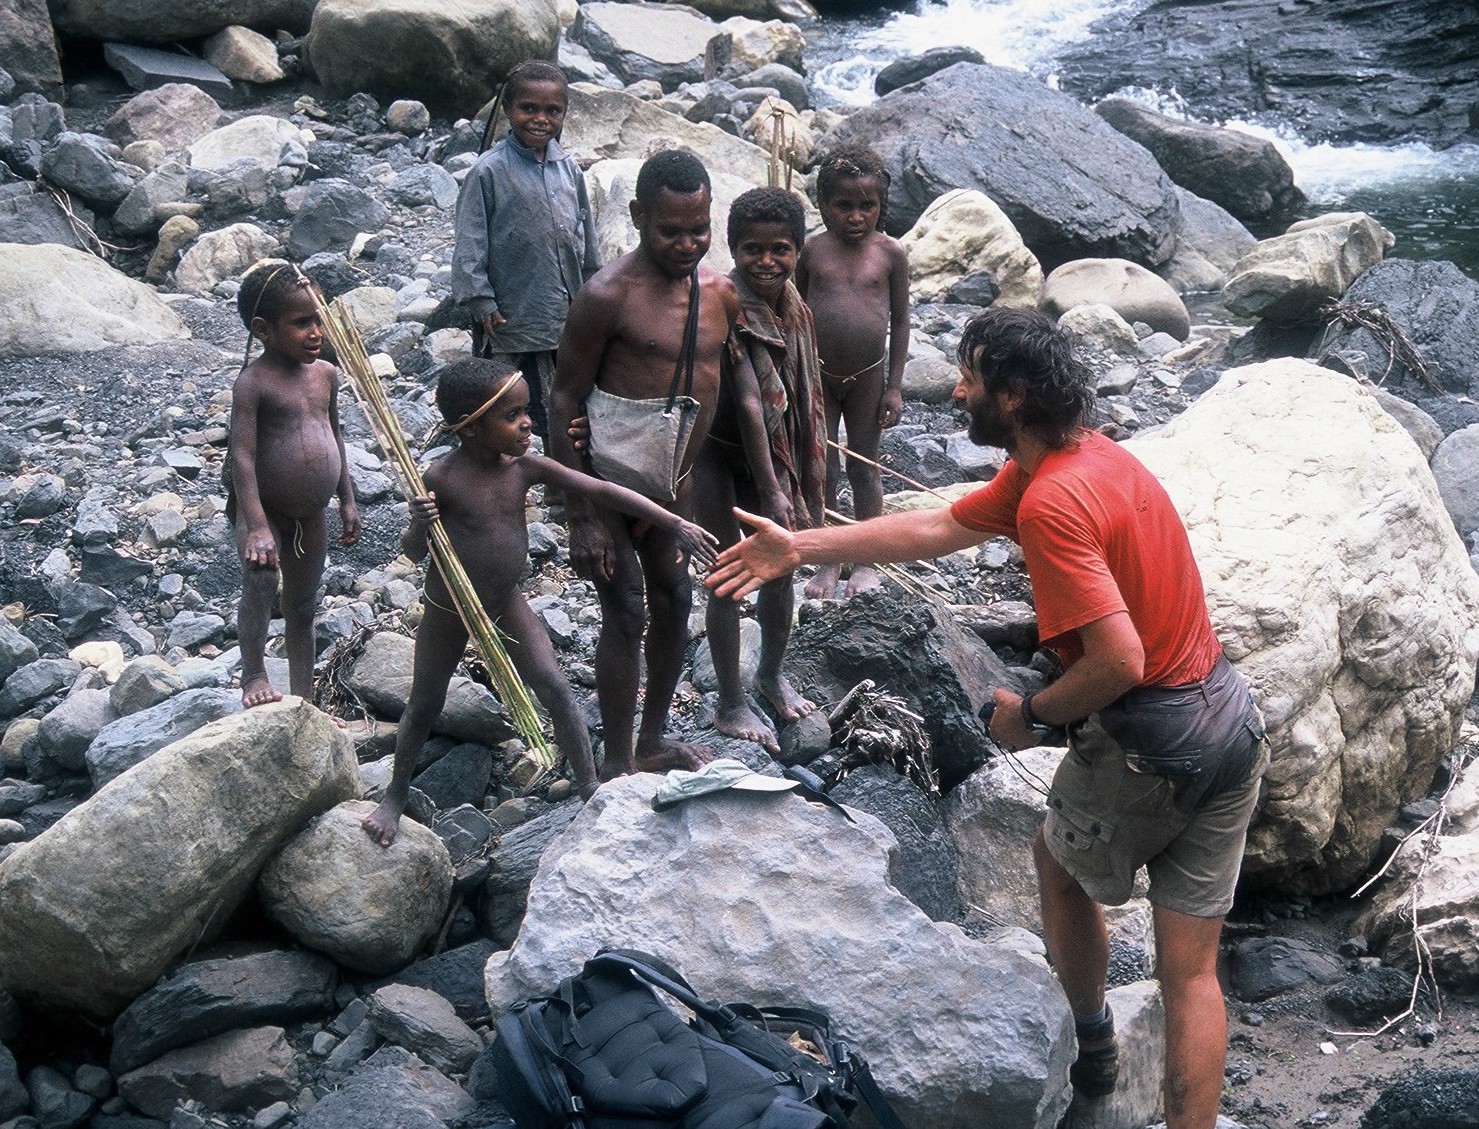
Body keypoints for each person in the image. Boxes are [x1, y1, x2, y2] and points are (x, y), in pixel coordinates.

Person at [707, 307, 1269, 1129]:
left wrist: (1031, 716)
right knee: (1190, 974)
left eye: (969, 375)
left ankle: (1091, 1043)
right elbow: (939, 523)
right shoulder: (1086, 455)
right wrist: (801, 546)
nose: (957, 389)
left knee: (1054, 857)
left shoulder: (1052, 505)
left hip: (1153, 745)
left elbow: (1119, 660)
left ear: (1009, 396)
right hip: (1227, 723)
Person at [362, 358, 716, 846]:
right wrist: (419, 523)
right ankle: (396, 796)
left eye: (526, 410)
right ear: (470, 427)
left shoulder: (524, 468)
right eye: (511, 416)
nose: (528, 423)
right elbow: (414, 552)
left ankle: (592, 787)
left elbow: (601, 489)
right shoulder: (442, 477)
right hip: (450, 607)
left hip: (506, 600)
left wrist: (673, 521)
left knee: (554, 686)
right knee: (425, 703)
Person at [549, 148, 746, 778]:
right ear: (636, 215)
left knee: (673, 598)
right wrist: (581, 512)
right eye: (670, 230)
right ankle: (615, 761)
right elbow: (562, 398)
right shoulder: (607, 296)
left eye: (699, 229)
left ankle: (652, 739)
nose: (687, 243)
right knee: (625, 609)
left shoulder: (720, 295)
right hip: (609, 485)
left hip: (673, 486)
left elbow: (731, 381)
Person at [694, 186, 825, 750]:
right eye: (753, 250)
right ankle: (729, 700)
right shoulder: (725, 303)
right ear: (731, 247)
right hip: (718, 455)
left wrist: (806, 478)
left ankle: (770, 672)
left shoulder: (794, 305)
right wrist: (773, 492)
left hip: (776, 454)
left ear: (798, 250)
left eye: (780, 250)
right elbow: (750, 404)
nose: (767, 262)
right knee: (727, 576)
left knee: (782, 565)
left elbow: (806, 393)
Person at [228, 259, 360, 710]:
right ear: (264, 329)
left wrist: (346, 498)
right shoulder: (254, 383)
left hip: (312, 514)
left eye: (319, 318)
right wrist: (258, 525)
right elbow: (241, 457)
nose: (316, 331)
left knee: (303, 607)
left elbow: (335, 434)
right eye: (302, 323)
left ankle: (304, 701)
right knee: (261, 582)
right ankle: (254, 675)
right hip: (265, 510)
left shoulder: (325, 374)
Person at [450, 60, 600, 442]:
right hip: (512, 314)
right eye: (528, 108)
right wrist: (481, 300)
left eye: (552, 110)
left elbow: (587, 238)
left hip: (563, 313)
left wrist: (594, 289)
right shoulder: (488, 171)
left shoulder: (569, 169)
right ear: (507, 109)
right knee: (504, 400)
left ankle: (558, 481)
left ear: (564, 113)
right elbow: (470, 241)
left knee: (564, 404)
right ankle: (494, 474)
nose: (540, 119)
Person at [795, 144, 910, 599]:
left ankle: (866, 560)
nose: (856, 216)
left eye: (868, 206)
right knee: (823, 471)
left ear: (881, 207)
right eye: (844, 205)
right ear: (823, 205)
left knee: (864, 468)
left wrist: (895, 387)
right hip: (817, 376)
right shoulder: (811, 251)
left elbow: (900, 321)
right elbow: (794, 311)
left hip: (867, 377)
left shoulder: (890, 254)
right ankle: (828, 561)